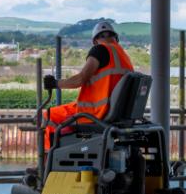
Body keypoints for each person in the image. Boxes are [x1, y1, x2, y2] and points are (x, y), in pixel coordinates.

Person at [41, 20, 134, 150]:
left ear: (95, 41)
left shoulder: (100, 50)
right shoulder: (124, 56)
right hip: (117, 113)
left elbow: (80, 79)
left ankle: (47, 162)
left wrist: (55, 83)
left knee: (47, 115)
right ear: (115, 38)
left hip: (95, 112)